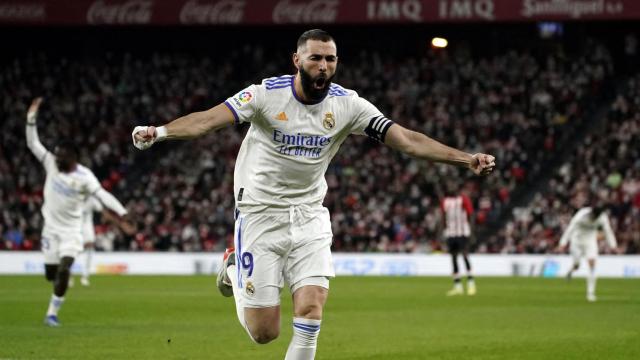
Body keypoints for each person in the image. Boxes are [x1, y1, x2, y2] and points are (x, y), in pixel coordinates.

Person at [132, 29, 495, 359]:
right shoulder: (264, 95)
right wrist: (160, 132)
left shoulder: (349, 105)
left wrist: (465, 160)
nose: (324, 66)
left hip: (309, 216)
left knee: (311, 310)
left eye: (330, 59)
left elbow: (408, 140)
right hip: (260, 215)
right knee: (265, 333)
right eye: (316, 58)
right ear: (297, 60)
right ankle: (232, 267)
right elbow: (207, 120)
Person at [26, 97, 130, 327]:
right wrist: (31, 119)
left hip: (72, 232)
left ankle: (51, 313)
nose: (57, 157)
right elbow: (33, 144)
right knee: (51, 274)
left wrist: (121, 211)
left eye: (61, 155)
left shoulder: (84, 177)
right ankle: (59, 283)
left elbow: (101, 195)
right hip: (50, 230)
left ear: (72, 157)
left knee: (64, 269)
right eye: (56, 154)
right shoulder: (51, 163)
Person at [557, 204, 617, 302]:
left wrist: (613, 245)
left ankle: (590, 293)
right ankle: (570, 271)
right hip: (576, 240)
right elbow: (570, 228)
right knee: (577, 265)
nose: (593, 219)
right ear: (591, 213)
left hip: (590, 241)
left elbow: (608, 231)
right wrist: (562, 243)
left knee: (592, 264)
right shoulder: (581, 215)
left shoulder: (602, 218)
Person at [441, 182, 476, 296]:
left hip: (462, 232)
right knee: (453, 258)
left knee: (465, 255)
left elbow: (471, 215)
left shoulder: (463, 200)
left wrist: (471, 231)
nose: (452, 189)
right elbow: (443, 217)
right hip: (451, 233)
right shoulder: (445, 201)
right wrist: (444, 231)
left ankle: (471, 284)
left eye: (454, 187)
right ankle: (458, 286)